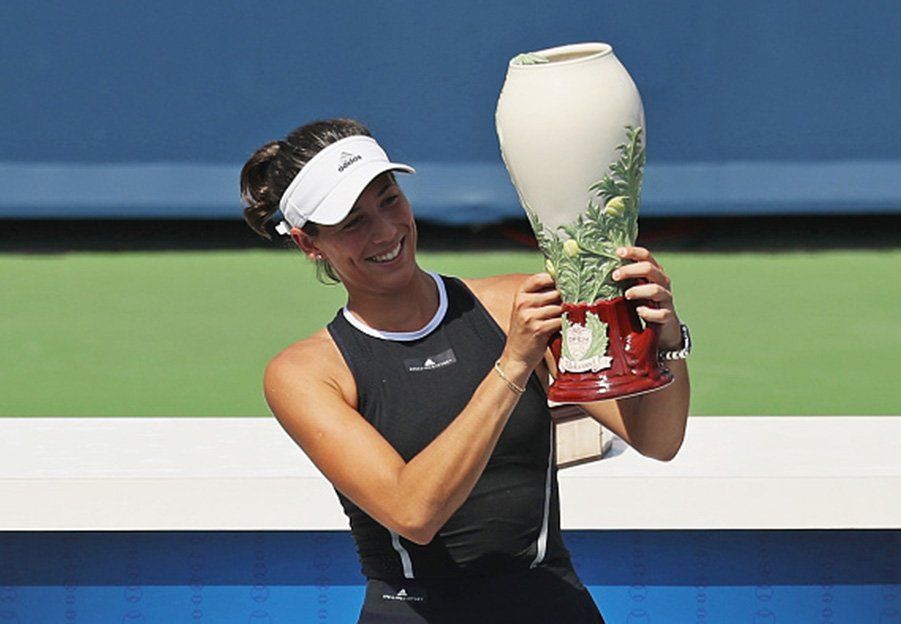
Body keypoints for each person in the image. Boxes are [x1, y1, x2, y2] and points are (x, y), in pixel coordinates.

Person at [240, 118, 691, 623]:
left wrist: (666, 338)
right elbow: (414, 514)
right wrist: (513, 365)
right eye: (353, 222)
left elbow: (658, 437)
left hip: (552, 605)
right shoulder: (305, 374)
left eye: (390, 199)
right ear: (309, 244)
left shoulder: (515, 303)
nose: (386, 231)